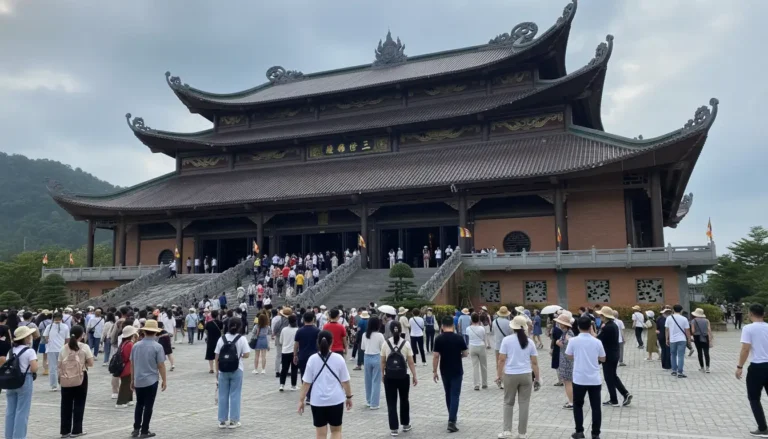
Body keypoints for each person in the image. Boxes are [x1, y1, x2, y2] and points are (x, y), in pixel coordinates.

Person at [298, 330, 353, 439]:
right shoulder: (339, 359)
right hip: (336, 400)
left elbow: (306, 384)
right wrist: (349, 397)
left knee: (320, 435)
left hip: (317, 401)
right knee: (336, 431)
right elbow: (345, 381)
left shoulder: (312, 359)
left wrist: (301, 400)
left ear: (317, 342)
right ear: (332, 342)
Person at [496, 315, 540, 439]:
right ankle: (522, 433)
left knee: (508, 403)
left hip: (510, 375)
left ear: (513, 327)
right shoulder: (530, 342)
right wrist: (537, 378)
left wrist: (498, 375)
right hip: (526, 375)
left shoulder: (507, 340)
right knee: (524, 404)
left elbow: (501, 360)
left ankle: (507, 431)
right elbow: (535, 363)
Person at [565, 317, 606, 439]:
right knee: (596, 407)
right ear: (590, 327)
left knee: (578, 405)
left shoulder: (573, 341)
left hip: (579, 378)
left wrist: (578, 357)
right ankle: (595, 433)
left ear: (577, 327)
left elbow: (568, 355)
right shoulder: (597, 342)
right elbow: (603, 358)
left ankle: (579, 431)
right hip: (594, 378)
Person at [130, 320, 167, 438]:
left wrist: (132, 380)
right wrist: (164, 380)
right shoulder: (157, 346)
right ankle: (145, 430)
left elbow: (132, 363)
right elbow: (161, 365)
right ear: (156, 333)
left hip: (138, 379)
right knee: (148, 406)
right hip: (151, 380)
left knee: (139, 404)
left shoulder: (136, 345)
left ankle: (136, 428)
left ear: (144, 331)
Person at [381, 321, 417, 436]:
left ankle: (394, 428)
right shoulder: (406, 344)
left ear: (390, 330)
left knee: (391, 402)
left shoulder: (385, 344)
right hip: (403, 376)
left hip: (390, 377)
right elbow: (411, 362)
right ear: (401, 330)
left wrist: (382, 374)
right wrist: (414, 375)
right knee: (404, 400)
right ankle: (406, 424)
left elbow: (382, 362)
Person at [433, 315, 468, 433]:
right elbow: (465, 353)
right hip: (457, 369)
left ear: (442, 326)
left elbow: (436, 356)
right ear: (453, 325)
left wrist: (434, 371)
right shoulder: (459, 338)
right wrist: (459, 356)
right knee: (455, 395)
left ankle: (451, 416)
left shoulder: (438, 339)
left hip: (444, 369)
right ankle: (452, 420)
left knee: (448, 393)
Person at [737, 303, 768, 437]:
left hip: (757, 367)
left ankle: (762, 428)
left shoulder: (748, 328)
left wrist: (739, 366)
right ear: (764, 314)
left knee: (754, 398)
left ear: (750, 314)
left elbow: (745, 349)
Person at [59, 325, 94, 437]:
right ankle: (76, 430)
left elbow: (59, 364)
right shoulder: (84, 347)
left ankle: (65, 431)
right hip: (80, 377)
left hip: (65, 377)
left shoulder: (64, 347)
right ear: (82, 335)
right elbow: (91, 363)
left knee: (65, 404)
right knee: (79, 403)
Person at [215, 318, 250, 428]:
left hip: (222, 370)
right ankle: (234, 420)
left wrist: (217, 371)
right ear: (240, 326)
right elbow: (247, 354)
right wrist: (240, 356)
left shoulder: (222, 338)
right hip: (237, 369)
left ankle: (222, 420)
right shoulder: (242, 339)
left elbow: (216, 356)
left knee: (222, 395)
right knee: (235, 394)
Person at [4, 326, 38, 439]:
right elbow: (34, 368)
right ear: (26, 338)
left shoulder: (11, 350)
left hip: (11, 381)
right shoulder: (30, 351)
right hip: (25, 380)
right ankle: (19, 436)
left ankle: (9, 436)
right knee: (22, 411)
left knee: (10, 411)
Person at [596, 306, 632, 408]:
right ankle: (624, 394)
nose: (600, 316)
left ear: (604, 316)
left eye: (601, 315)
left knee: (609, 378)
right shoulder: (613, 325)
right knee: (613, 376)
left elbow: (598, 339)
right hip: (614, 354)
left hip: (608, 355)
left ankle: (614, 399)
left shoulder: (607, 327)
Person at [362, 316, 385, 410]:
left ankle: (368, 400)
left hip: (367, 357)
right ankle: (374, 403)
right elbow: (383, 348)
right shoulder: (380, 335)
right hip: (377, 357)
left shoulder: (365, 334)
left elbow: (363, 347)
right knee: (376, 381)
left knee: (368, 380)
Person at [43, 311, 70, 391]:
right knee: (63, 367)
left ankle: (54, 385)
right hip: (61, 349)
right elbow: (67, 339)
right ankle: (63, 383)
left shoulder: (49, 326)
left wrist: (49, 341)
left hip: (51, 349)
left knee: (53, 368)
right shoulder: (65, 326)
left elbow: (46, 337)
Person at [665, 304, 691, 378]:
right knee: (681, 356)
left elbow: (667, 329)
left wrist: (667, 339)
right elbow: (687, 330)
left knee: (673, 355)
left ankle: (674, 370)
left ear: (673, 310)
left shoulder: (669, 318)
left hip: (672, 339)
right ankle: (680, 372)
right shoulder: (684, 319)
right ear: (681, 310)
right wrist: (689, 339)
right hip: (682, 339)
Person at [555, 313, 575, 408]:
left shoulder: (569, 334)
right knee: (568, 381)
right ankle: (571, 400)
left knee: (568, 381)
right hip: (565, 359)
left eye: (560, 322)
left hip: (567, 360)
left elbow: (566, 346)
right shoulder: (565, 333)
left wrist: (558, 343)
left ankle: (571, 402)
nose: (558, 324)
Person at [116, 325, 138, 407]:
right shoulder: (130, 344)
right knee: (126, 384)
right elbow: (132, 356)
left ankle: (129, 399)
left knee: (128, 383)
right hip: (128, 367)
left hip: (125, 366)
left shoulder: (124, 343)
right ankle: (121, 402)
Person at [466, 313, 488, 391]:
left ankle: (476, 384)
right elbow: (483, 337)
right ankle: (484, 383)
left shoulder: (468, 328)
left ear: (471, 319)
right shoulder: (482, 328)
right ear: (478, 319)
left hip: (472, 346)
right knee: (484, 366)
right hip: (481, 346)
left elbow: (468, 336)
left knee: (475, 366)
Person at [279, 315, 299, 391]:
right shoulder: (297, 330)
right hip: (295, 352)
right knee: (294, 369)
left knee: (284, 369)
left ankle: (282, 385)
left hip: (285, 351)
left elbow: (281, 341)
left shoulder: (284, 330)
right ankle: (293, 385)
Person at [690, 308, 713, 373]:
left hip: (697, 337)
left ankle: (702, 367)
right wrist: (710, 338)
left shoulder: (693, 321)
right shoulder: (706, 320)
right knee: (706, 352)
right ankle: (708, 367)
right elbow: (709, 329)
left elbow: (693, 331)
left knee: (699, 352)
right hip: (705, 337)